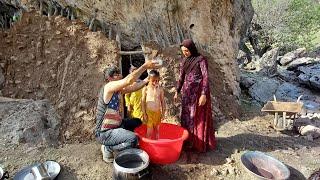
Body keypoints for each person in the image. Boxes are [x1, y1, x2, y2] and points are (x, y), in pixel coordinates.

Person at [95, 60, 159, 163]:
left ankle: (119, 142)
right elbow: (128, 81)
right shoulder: (108, 87)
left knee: (137, 122)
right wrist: (144, 66)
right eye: (117, 75)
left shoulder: (118, 90)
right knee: (132, 139)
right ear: (109, 78)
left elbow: (134, 87)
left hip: (117, 125)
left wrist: (148, 79)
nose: (120, 76)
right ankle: (108, 148)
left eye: (119, 74)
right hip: (105, 132)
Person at [174, 39, 216, 152]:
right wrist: (177, 90)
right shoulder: (184, 61)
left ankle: (197, 143)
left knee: (197, 118)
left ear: (192, 48)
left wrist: (203, 94)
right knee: (187, 117)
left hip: (197, 94)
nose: (185, 53)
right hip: (187, 94)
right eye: (183, 51)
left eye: (187, 51)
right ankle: (188, 140)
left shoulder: (201, 60)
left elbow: (205, 77)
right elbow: (181, 77)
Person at [141, 70, 165, 139]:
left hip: (157, 112)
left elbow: (162, 101)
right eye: (153, 81)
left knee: (157, 130)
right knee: (149, 131)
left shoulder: (160, 89)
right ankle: (148, 145)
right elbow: (142, 102)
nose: (155, 82)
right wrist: (144, 113)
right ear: (149, 80)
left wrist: (163, 112)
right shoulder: (146, 89)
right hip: (149, 113)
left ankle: (156, 144)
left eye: (157, 81)